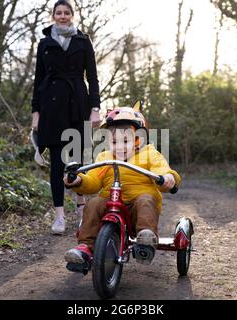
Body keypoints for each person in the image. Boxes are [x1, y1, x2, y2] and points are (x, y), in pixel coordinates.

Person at [63, 104, 181, 265]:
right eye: (114, 142)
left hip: (136, 209)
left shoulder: (149, 153)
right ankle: (85, 247)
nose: (119, 147)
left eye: (125, 141)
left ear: (138, 140)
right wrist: (79, 180)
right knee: (94, 203)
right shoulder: (105, 157)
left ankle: (146, 238)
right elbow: (93, 181)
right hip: (110, 204)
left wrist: (167, 177)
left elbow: (161, 169)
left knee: (145, 200)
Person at [31, 0, 101, 235]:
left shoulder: (83, 40)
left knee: (79, 158)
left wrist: (95, 108)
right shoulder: (44, 44)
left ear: (72, 15)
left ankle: (81, 210)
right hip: (51, 107)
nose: (62, 16)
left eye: (66, 12)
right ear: (53, 16)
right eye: (58, 13)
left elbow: (92, 77)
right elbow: (38, 80)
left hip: (78, 103)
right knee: (57, 164)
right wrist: (35, 113)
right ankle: (59, 216)